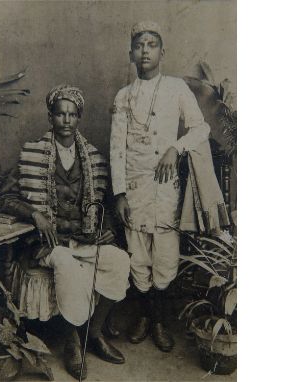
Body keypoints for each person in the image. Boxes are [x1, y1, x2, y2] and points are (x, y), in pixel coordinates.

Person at [0, 85, 130, 380]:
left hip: (83, 238)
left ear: (79, 118)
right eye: (60, 114)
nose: (66, 120)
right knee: (67, 266)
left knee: (119, 262)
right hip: (48, 243)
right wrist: (34, 214)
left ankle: (93, 334)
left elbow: (104, 204)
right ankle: (73, 341)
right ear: (51, 117)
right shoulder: (31, 152)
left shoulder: (93, 158)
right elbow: (6, 198)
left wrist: (106, 229)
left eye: (72, 114)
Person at [110, 21, 212, 352]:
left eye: (151, 44)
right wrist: (120, 193)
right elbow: (116, 149)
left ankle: (159, 322)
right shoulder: (124, 97)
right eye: (139, 45)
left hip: (166, 188)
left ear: (162, 52)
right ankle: (144, 316)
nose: (145, 50)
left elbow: (201, 128)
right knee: (138, 257)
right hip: (135, 189)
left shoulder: (176, 89)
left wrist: (175, 148)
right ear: (131, 54)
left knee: (166, 258)